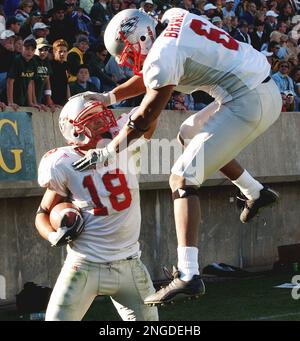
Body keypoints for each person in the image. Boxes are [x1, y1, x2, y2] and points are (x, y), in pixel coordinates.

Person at [72, 8, 282, 305]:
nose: (129, 59)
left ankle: (188, 274)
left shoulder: (162, 53)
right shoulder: (173, 17)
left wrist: (107, 151)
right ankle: (255, 191)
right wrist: (109, 97)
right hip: (253, 90)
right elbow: (153, 76)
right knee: (188, 132)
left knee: (182, 178)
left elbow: (145, 116)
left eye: (129, 50)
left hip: (248, 100)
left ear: (143, 35)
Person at [35, 94, 158, 321]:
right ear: (75, 130)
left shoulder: (124, 141)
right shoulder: (63, 161)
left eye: (101, 113)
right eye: (92, 118)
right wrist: (53, 235)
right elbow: (42, 213)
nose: (102, 120)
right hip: (84, 264)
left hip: (130, 264)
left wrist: (113, 95)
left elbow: (150, 113)